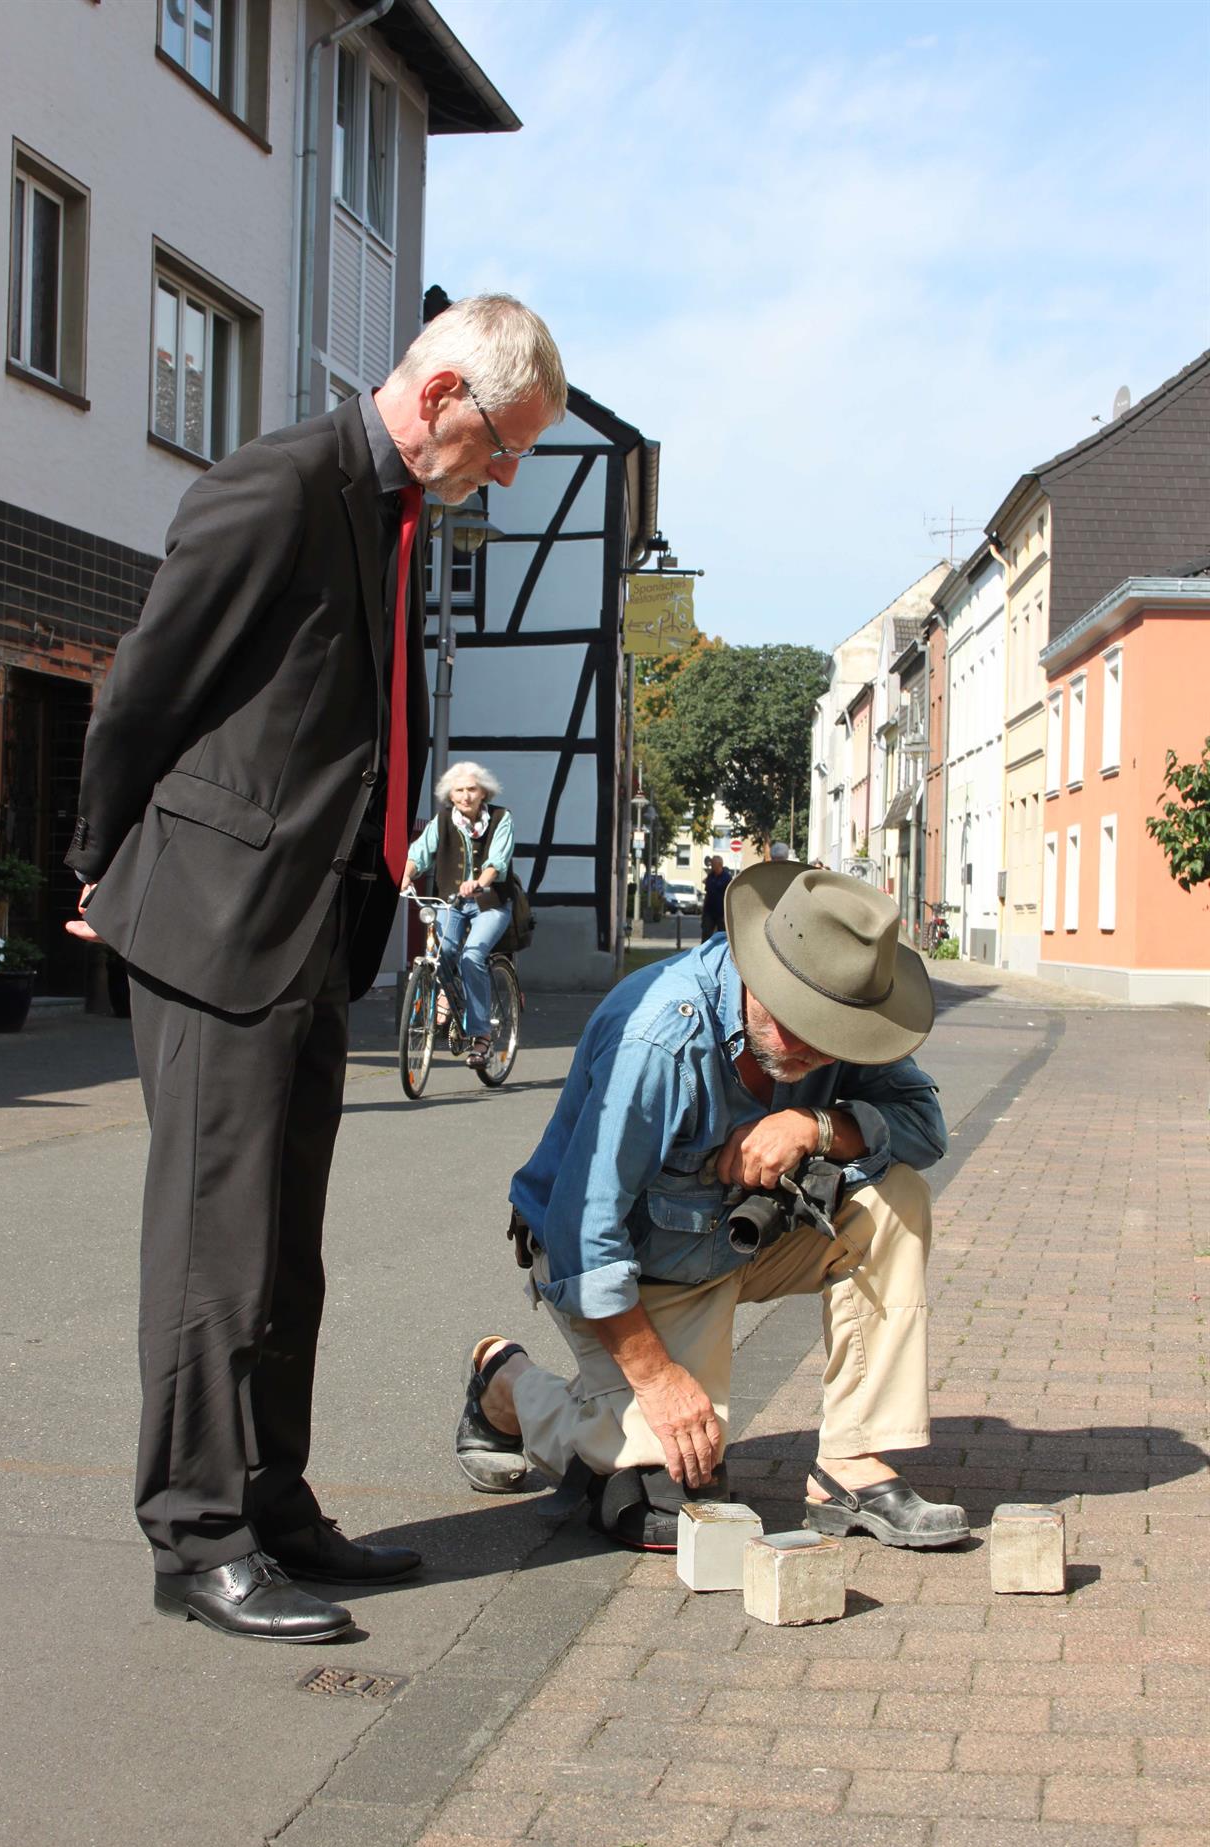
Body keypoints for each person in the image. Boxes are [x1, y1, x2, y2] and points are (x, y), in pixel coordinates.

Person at [66, 295, 566, 1640]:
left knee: (285, 1258)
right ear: (450, 389)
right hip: (213, 923)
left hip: (306, 931)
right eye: (504, 445)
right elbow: (144, 688)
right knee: (208, 1257)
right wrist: (91, 864)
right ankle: (195, 1539)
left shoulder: (386, 512)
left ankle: (271, 1504)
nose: (504, 475)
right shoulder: (275, 487)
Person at [454, 862, 969, 1553]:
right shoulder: (661, 1039)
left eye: (835, 1035)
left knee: (898, 1197)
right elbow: (584, 1235)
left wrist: (814, 1127)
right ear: (758, 969)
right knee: (665, 1501)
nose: (813, 1049)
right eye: (797, 1021)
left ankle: (851, 1463)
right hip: (632, 1270)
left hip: (741, 1244)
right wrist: (660, 1380)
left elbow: (924, 1129)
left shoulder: (844, 1026)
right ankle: (507, 1384)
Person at [401, 761, 514, 1069]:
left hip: (490, 903)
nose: (465, 796)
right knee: (442, 952)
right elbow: (419, 853)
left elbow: (498, 860)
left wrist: (481, 881)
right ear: (450, 795)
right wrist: (407, 875)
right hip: (449, 902)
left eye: (471, 789)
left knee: (472, 956)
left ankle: (481, 1036)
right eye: (459, 790)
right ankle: (447, 1002)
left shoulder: (501, 819)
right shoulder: (441, 822)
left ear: (483, 793)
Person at [700, 854, 731, 939]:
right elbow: (707, 893)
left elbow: (729, 896)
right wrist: (703, 911)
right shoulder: (710, 876)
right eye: (711, 864)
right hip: (709, 911)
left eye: (713, 864)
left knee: (722, 936)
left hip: (721, 913)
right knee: (706, 934)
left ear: (719, 864)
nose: (711, 865)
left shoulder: (727, 878)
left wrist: (727, 913)